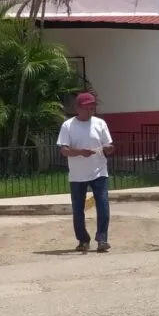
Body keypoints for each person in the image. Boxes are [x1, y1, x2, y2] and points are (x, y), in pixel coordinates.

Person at [56, 92, 114, 253]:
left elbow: (108, 144)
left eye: (92, 108)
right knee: (78, 208)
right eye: (87, 108)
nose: (90, 111)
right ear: (78, 109)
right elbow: (64, 150)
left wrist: (109, 148)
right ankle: (83, 240)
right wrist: (81, 152)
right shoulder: (68, 126)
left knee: (103, 204)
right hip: (77, 174)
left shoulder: (100, 123)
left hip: (99, 171)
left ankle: (102, 238)